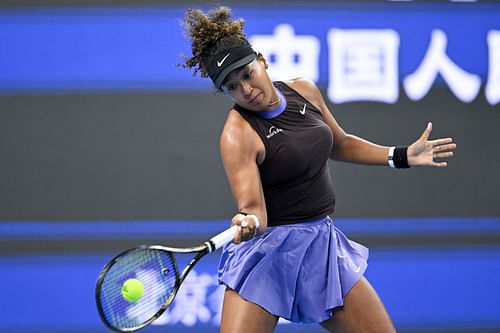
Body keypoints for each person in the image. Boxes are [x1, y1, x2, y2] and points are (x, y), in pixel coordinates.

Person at [181, 7, 456, 333]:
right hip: (267, 254)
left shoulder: (304, 91)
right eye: (231, 86)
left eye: (247, 73)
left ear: (262, 61)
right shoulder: (237, 134)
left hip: (320, 245)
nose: (245, 88)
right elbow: (255, 212)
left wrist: (401, 156)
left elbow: (338, 143)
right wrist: (248, 221)